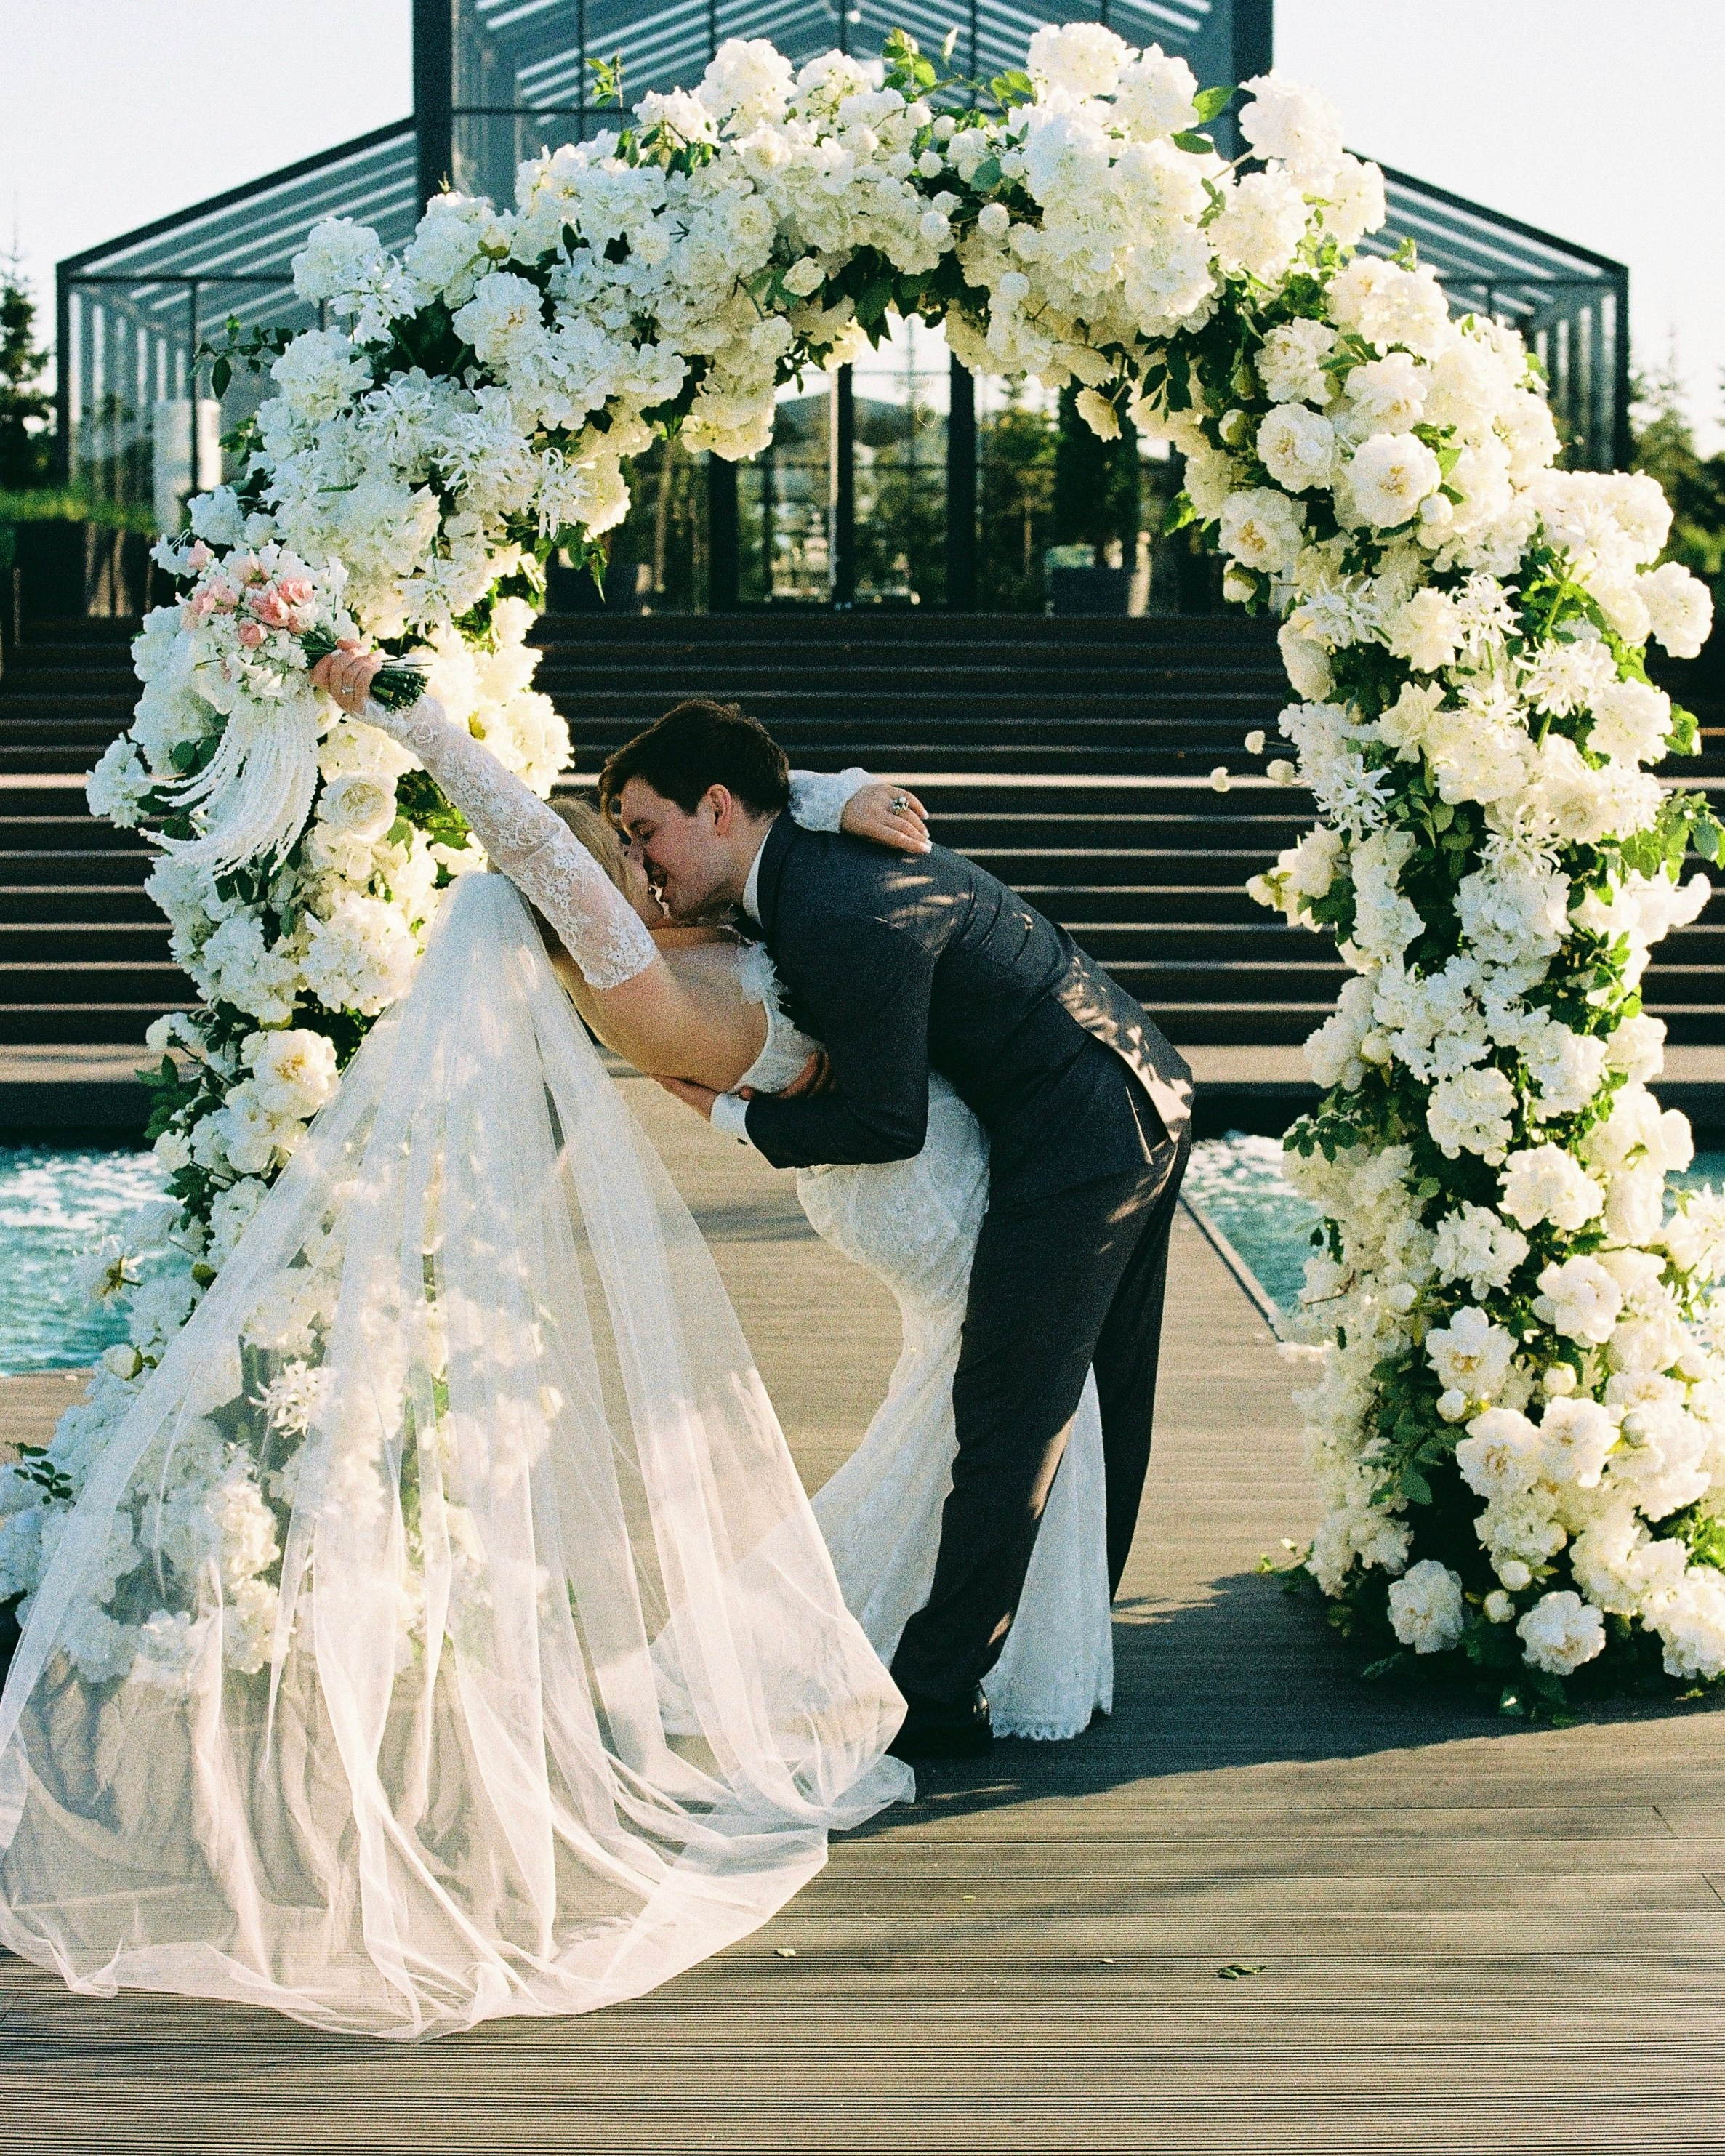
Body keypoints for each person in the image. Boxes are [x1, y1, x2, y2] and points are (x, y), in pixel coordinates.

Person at [603, 699, 1193, 1761]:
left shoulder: (834, 909)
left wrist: (728, 1110)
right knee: (1068, 1390)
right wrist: (835, 787)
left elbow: (882, 1121)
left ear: (720, 807)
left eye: (647, 830)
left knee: (1012, 1404)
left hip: (1092, 1122)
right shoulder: (810, 850)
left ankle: (934, 1690)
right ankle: (1048, 1639)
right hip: (1115, 1085)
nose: (640, 863)